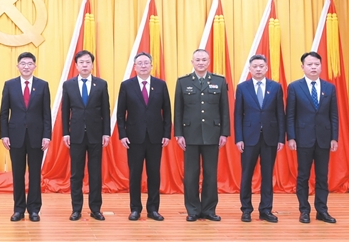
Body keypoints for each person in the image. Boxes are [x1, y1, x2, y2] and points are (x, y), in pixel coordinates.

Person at [173, 49, 230, 222]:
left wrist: (224, 133)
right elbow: (178, 110)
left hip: (212, 134)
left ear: (209, 61)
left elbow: (224, 110)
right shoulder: (183, 82)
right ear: (192, 62)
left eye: (204, 59)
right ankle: (193, 210)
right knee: (191, 175)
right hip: (189, 134)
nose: (200, 62)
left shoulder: (219, 81)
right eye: (197, 60)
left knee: (211, 174)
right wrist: (178, 134)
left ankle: (209, 209)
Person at [116, 52, 171, 221]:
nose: (143, 66)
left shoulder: (160, 85)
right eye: (139, 63)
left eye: (146, 63)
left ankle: (153, 209)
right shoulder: (127, 85)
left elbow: (167, 111)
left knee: (154, 174)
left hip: (155, 137)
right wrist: (122, 134)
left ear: (151, 65)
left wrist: (166, 134)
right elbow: (120, 113)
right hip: (134, 138)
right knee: (135, 174)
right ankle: (135, 208)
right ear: (135, 67)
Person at [287, 51, 339, 224]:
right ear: (303, 67)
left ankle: (322, 210)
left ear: (321, 66)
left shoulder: (329, 88)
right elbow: (290, 115)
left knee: (322, 177)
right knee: (303, 176)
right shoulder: (294, 87)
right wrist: (291, 137)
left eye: (316, 64)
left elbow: (333, 115)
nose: (313, 67)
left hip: (324, 138)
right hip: (303, 138)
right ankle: (304, 210)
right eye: (310, 64)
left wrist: (334, 137)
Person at [0, 52, 51, 222]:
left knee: (35, 174)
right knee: (18, 173)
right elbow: (4, 113)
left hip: (37, 136)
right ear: (17, 66)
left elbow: (46, 113)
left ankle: (34, 209)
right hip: (15, 136)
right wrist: (4, 135)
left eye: (29, 63)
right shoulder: (10, 85)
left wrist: (47, 135)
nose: (26, 66)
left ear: (35, 66)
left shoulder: (43, 85)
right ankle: (18, 209)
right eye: (23, 63)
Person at [234, 54, 284, 223]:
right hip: (248, 138)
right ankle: (246, 209)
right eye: (254, 66)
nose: (258, 69)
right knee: (247, 174)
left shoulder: (275, 87)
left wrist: (281, 138)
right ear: (250, 69)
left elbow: (280, 114)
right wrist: (239, 138)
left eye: (261, 66)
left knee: (267, 175)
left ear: (266, 68)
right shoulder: (242, 87)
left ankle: (266, 210)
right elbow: (238, 115)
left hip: (270, 137)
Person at [62, 50, 110, 221]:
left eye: (87, 62)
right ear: (76, 65)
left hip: (96, 134)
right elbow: (65, 111)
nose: (84, 65)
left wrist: (106, 133)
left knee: (95, 173)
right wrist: (65, 133)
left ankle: (95, 209)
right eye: (81, 62)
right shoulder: (68, 85)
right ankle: (76, 209)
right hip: (75, 135)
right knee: (76, 174)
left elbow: (105, 110)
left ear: (92, 65)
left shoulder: (101, 84)